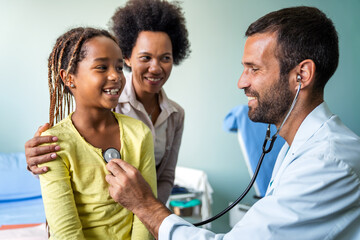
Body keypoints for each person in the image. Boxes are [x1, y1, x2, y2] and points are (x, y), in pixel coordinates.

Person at [105, 6, 360, 240]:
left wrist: (145, 205)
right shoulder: (297, 149)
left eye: (254, 69)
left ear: (301, 75)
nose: (241, 82)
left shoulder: (326, 162)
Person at [24, 0, 191, 204]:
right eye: (146, 58)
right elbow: (71, 159)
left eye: (165, 58)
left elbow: (165, 177)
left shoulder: (176, 114)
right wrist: (36, 161)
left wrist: (152, 217)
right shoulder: (105, 102)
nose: (156, 68)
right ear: (127, 57)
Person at [38, 27, 156, 239]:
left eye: (119, 68)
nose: (115, 76)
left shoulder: (139, 133)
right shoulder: (54, 144)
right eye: (102, 67)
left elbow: (145, 213)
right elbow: (66, 232)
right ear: (69, 78)